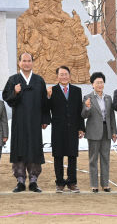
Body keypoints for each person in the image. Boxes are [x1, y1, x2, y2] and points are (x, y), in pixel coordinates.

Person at [2, 52, 51, 193]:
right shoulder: (13, 80)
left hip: (35, 122)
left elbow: (44, 102)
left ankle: (34, 181)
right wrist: (15, 92)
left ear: (32, 62)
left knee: (34, 149)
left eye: (29, 61)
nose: (26, 63)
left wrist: (45, 119)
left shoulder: (39, 80)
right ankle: (20, 181)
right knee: (20, 148)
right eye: (24, 60)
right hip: (20, 121)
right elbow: (7, 98)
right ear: (19, 63)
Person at [47, 65, 84, 193]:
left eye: (66, 74)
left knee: (72, 155)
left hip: (73, 127)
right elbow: (46, 108)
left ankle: (72, 182)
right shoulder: (52, 90)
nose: (64, 76)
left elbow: (80, 110)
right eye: (61, 74)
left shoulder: (77, 90)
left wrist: (81, 128)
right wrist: (48, 97)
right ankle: (60, 183)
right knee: (58, 156)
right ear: (57, 77)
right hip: (58, 128)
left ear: (69, 75)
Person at [81, 71, 116, 193]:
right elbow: (84, 115)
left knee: (105, 158)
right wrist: (87, 107)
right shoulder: (87, 98)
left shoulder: (108, 98)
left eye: (102, 82)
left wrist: (114, 131)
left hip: (107, 132)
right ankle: (94, 185)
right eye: (97, 82)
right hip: (93, 132)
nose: (100, 85)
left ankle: (105, 184)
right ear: (92, 84)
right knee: (93, 159)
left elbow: (111, 116)